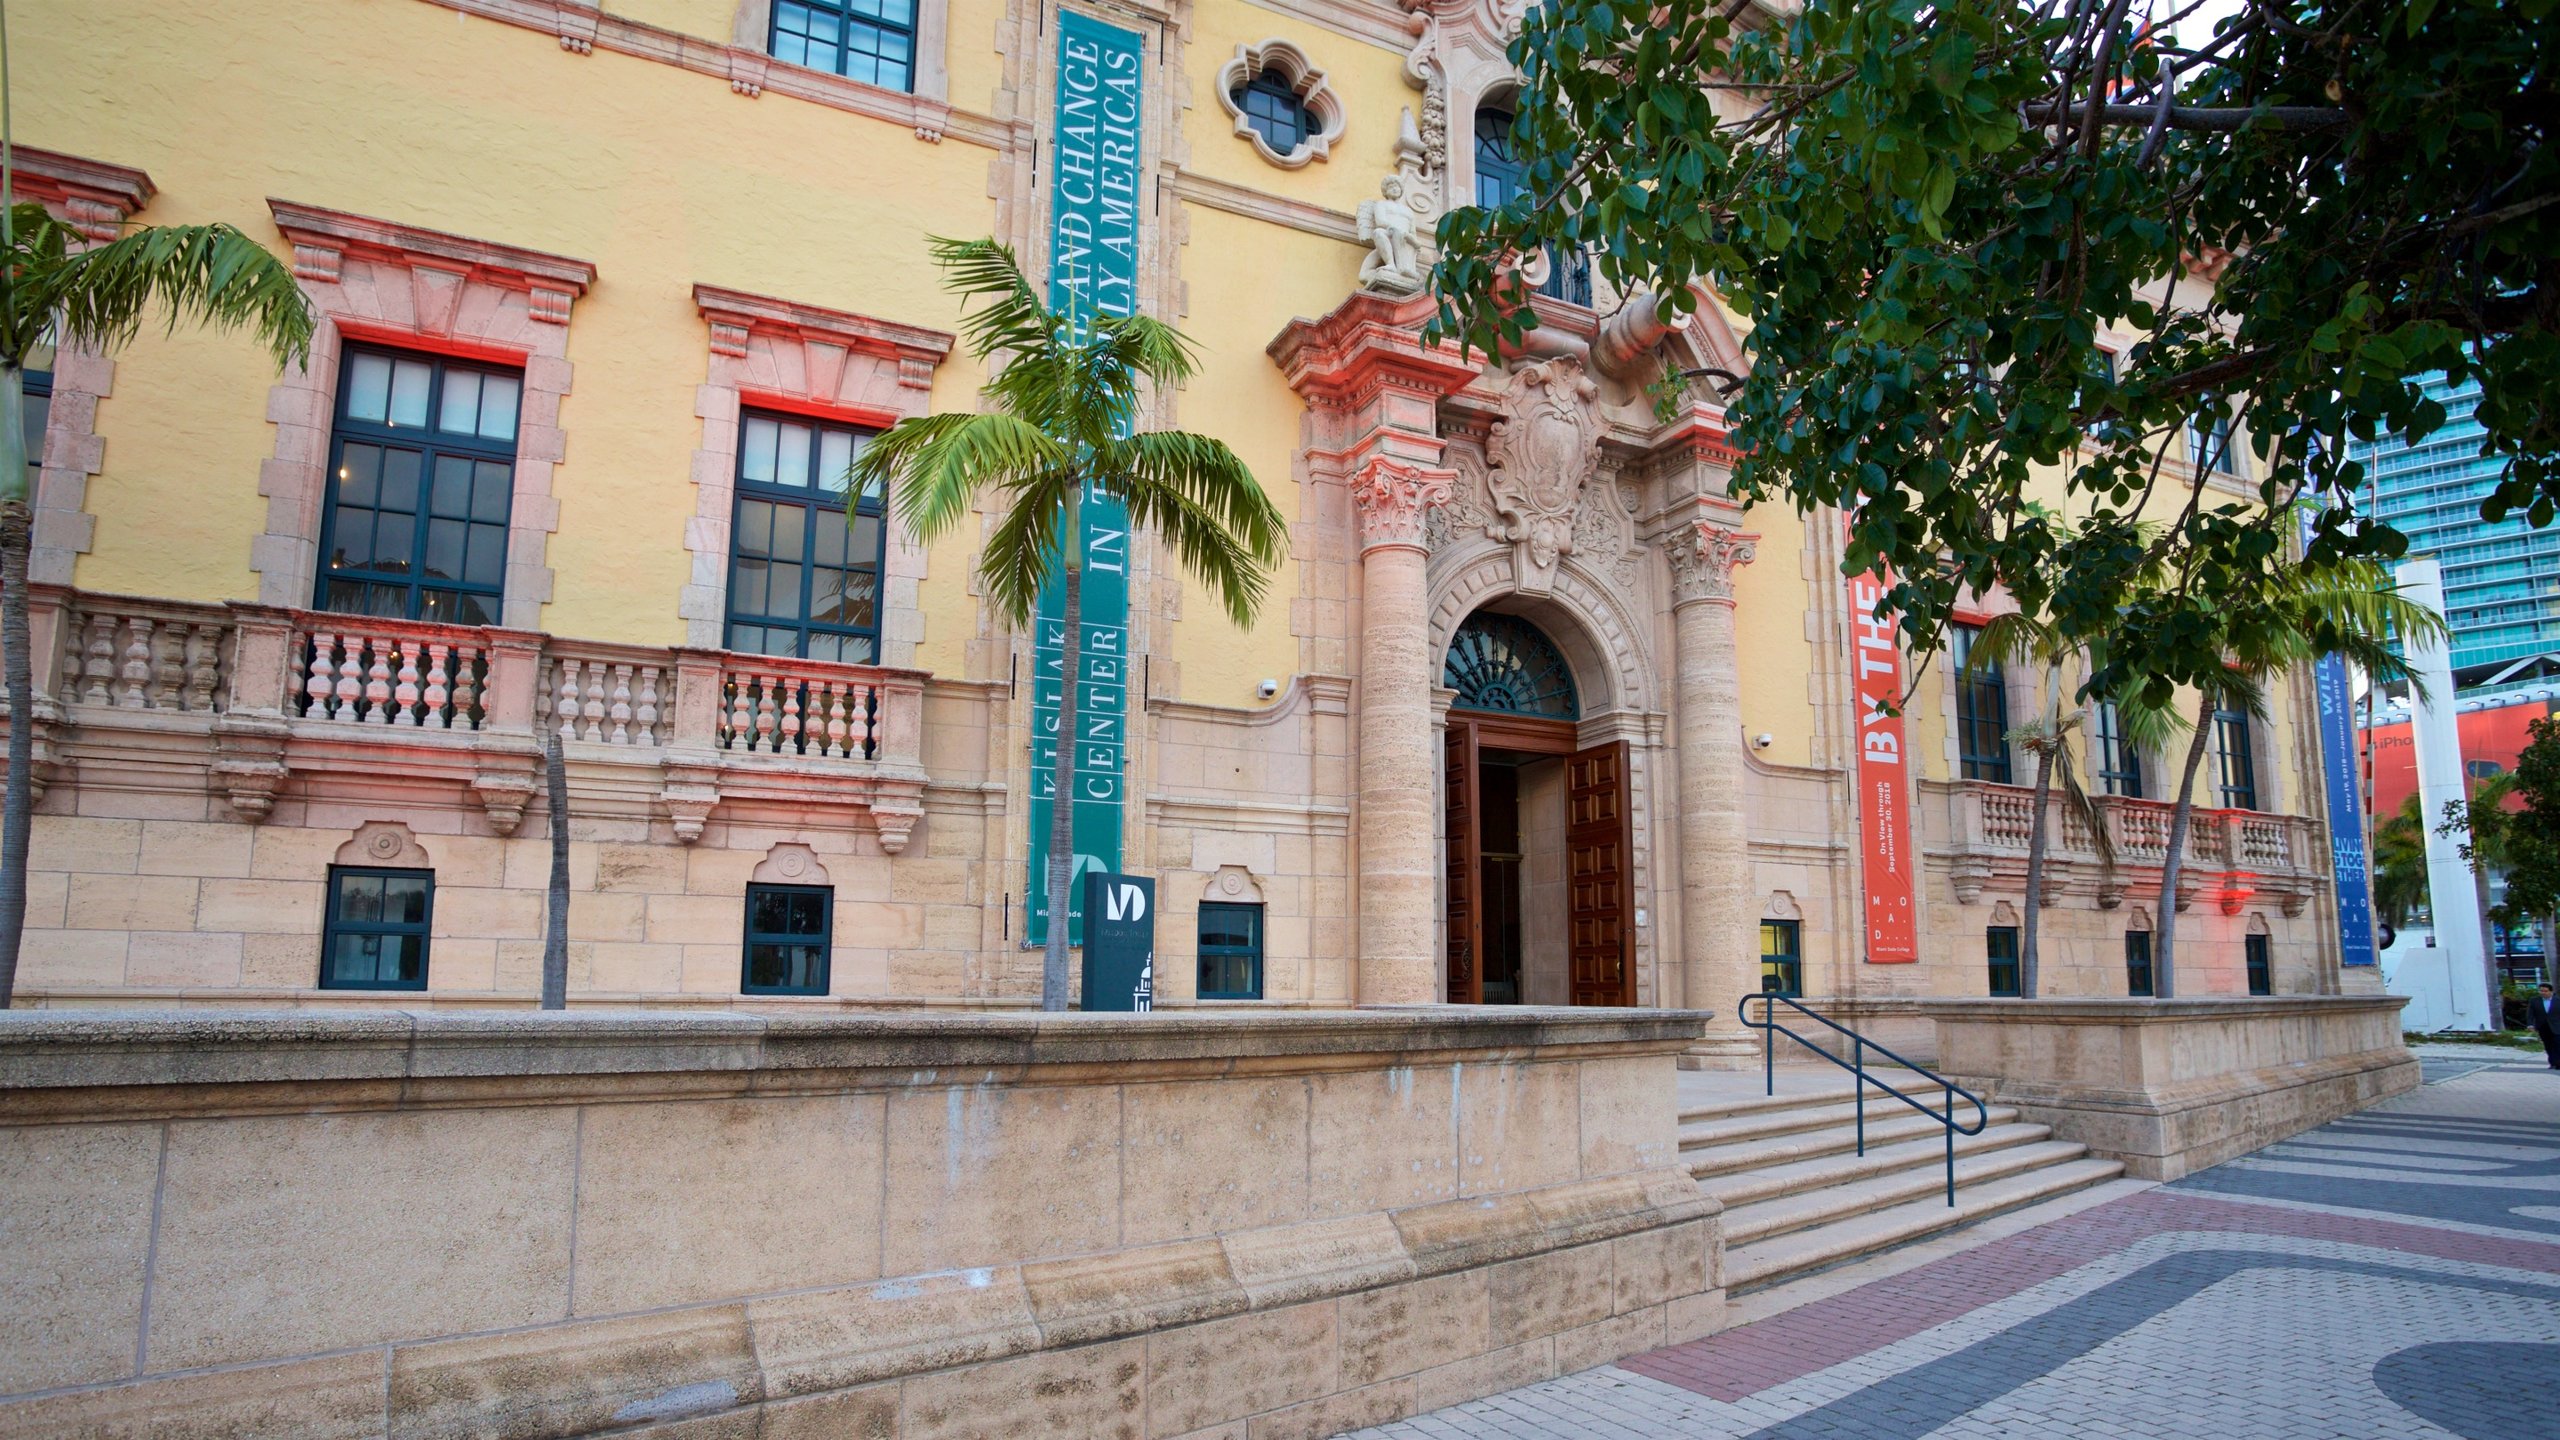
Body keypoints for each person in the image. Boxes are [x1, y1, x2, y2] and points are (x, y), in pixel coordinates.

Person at [2530, 983, 2560, 1071]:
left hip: (2557, 1027)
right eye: (2541, 991)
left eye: (2545, 991)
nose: (2543, 993)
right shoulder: (2534, 1001)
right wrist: (2530, 1024)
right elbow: (2530, 1014)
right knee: (2548, 1046)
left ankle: (2558, 1063)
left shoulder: (2558, 1000)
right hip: (2543, 1027)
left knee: (2558, 1045)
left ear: (2551, 991)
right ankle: (2553, 1063)